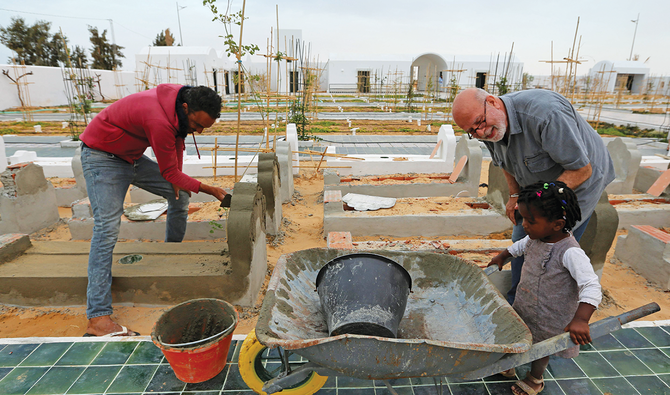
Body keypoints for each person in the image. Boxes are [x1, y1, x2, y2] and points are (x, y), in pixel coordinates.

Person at [79, 84, 228, 336]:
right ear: (185, 109)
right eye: (197, 124)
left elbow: (177, 146)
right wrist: (209, 189)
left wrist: (177, 180)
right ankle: (98, 318)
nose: (199, 131)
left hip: (131, 157)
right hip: (102, 157)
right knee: (106, 228)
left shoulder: (179, 103)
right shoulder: (158, 118)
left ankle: (169, 254)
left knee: (179, 197)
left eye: (204, 127)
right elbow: (168, 170)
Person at [452, 88, 614, 304]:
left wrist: (539, 204)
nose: (480, 133)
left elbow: (581, 170)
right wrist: (515, 195)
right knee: (523, 233)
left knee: (550, 246)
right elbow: (504, 161)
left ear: (492, 102)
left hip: (581, 180)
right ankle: (518, 301)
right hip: (540, 184)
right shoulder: (488, 127)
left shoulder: (546, 115)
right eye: (472, 131)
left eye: (479, 123)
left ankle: (547, 305)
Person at [487, 181, 601, 395]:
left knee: (541, 348)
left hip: (551, 314)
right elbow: (518, 247)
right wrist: (503, 256)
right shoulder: (535, 238)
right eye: (523, 218)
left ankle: (535, 378)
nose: (524, 225)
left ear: (557, 224)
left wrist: (581, 319)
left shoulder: (570, 253)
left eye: (530, 220)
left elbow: (591, 285)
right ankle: (510, 364)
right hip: (527, 304)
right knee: (517, 334)